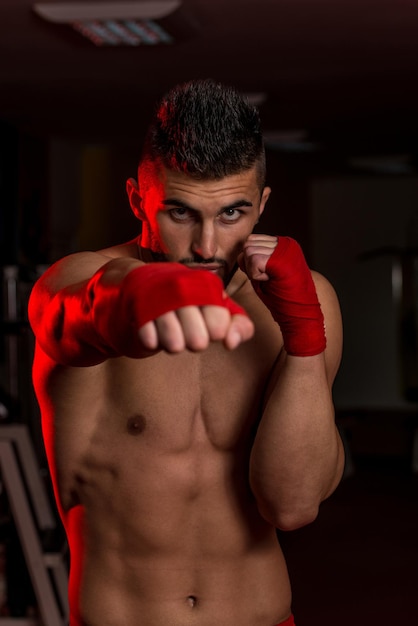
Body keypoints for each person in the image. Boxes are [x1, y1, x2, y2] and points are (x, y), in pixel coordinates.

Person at [28, 79, 344, 626]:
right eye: (180, 214)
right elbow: (73, 318)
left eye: (232, 214)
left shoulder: (300, 300)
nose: (206, 247)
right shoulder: (78, 278)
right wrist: (134, 299)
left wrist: (304, 336)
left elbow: (291, 506)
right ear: (137, 201)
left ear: (262, 204)